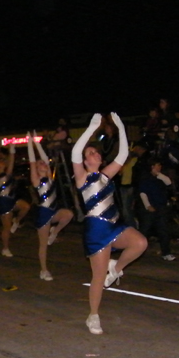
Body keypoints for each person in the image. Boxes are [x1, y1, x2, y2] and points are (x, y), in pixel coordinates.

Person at [72, 113, 148, 335]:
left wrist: (121, 127)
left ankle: (116, 267)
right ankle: (93, 316)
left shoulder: (106, 175)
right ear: (86, 162)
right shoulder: (82, 178)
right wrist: (91, 128)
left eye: (95, 151)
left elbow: (123, 154)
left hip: (114, 225)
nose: (93, 154)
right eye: (89, 153)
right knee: (97, 276)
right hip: (96, 229)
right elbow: (75, 152)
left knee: (140, 243)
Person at [27, 132, 73, 280]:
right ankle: (44, 270)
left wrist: (38, 143)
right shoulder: (36, 180)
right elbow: (33, 161)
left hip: (53, 211)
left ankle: (55, 232)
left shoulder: (50, 179)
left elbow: (45, 159)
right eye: (40, 164)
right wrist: (30, 142)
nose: (43, 164)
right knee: (43, 245)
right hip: (43, 213)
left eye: (44, 163)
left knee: (68, 215)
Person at [0, 137, 30, 257]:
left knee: (26, 207)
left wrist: (12, 149)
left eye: (4, 161)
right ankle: (5, 248)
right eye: (1, 161)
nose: (3, 162)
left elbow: (11, 161)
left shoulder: (8, 173)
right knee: (6, 227)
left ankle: (16, 221)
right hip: (3, 201)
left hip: (12, 198)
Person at [138, 158, 176, 261]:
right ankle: (135, 252)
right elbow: (143, 193)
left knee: (163, 230)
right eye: (157, 165)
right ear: (152, 167)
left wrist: (159, 174)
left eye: (160, 165)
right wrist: (148, 205)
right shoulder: (145, 178)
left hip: (161, 207)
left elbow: (168, 183)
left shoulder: (161, 178)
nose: (159, 167)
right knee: (144, 231)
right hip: (150, 208)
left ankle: (166, 252)